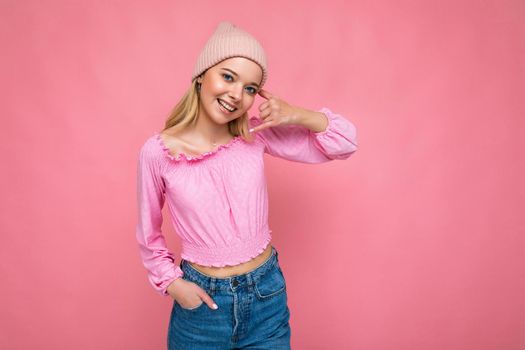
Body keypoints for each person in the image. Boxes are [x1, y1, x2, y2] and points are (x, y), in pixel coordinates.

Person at [135, 21, 358, 350]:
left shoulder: (255, 135)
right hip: (202, 306)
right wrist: (172, 284)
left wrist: (297, 114)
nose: (237, 95)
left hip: (266, 297)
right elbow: (148, 234)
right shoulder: (158, 153)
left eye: (251, 88)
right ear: (201, 76)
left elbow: (344, 143)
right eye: (228, 76)